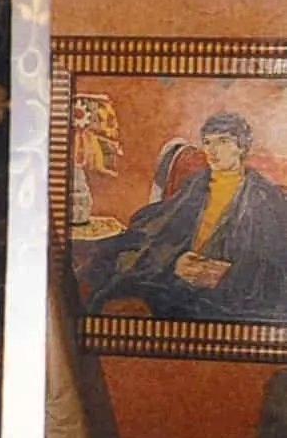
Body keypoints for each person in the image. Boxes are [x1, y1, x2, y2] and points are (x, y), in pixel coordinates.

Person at [82, 110, 287, 321]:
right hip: (180, 275)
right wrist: (174, 263)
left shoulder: (265, 196)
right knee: (106, 263)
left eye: (223, 142)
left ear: (242, 147)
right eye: (208, 143)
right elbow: (166, 228)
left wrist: (225, 276)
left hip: (227, 291)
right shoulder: (196, 183)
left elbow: (273, 263)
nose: (213, 151)